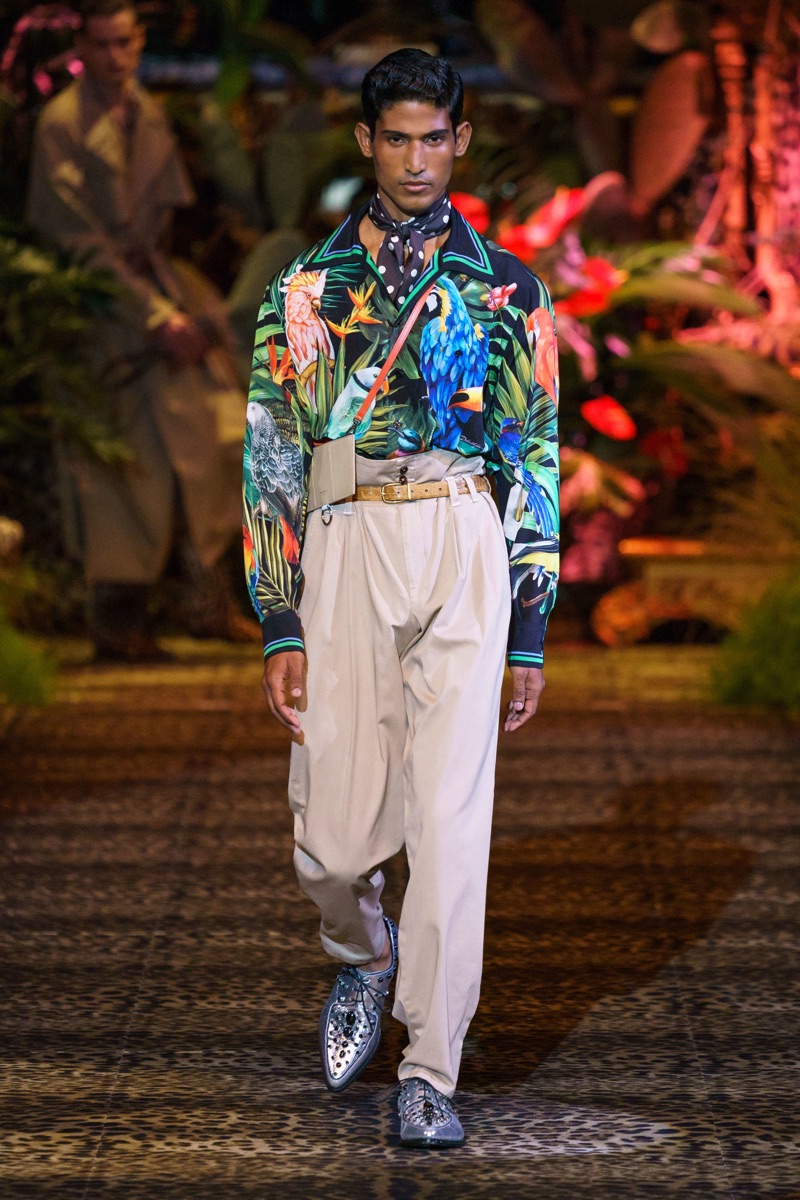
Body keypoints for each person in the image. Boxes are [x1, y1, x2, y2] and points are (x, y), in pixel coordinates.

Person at [244, 48, 560, 1147]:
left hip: (464, 534)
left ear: (460, 141)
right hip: (345, 536)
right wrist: (277, 614)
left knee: (449, 825)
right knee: (333, 847)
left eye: (435, 138)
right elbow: (270, 460)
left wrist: (529, 624)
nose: (417, 159)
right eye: (396, 139)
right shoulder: (305, 289)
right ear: (365, 143)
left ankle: (431, 1066)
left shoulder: (508, 289)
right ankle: (362, 951)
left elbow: (534, 453)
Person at [26, 0, 253, 661]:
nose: (115, 57)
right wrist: (152, 314)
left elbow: (165, 218)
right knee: (118, 466)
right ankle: (118, 620)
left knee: (217, 436)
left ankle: (207, 600)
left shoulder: (145, 110)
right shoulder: (62, 123)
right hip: (98, 307)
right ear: (81, 48)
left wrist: (174, 307)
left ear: (139, 41)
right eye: (101, 45)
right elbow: (74, 236)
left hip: (156, 288)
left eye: (124, 43)